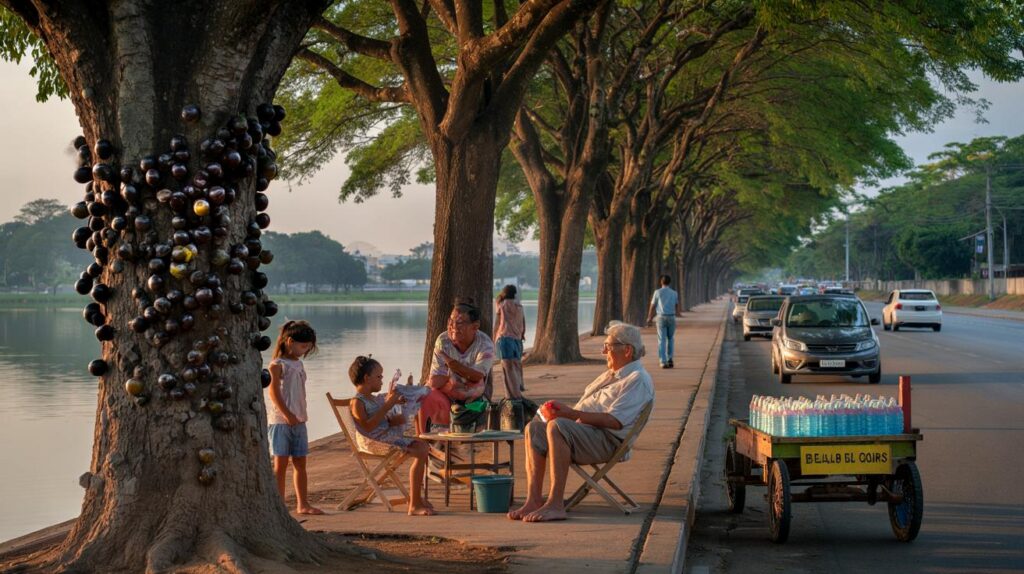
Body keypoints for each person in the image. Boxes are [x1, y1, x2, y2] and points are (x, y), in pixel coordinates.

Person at [508, 322, 654, 523]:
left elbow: (614, 421)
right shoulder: (612, 375)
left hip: (608, 441)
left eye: (608, 346)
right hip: (586, 433)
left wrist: (569, 415)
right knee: (533, 428)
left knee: (557, 427)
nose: (603, 351)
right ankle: (533, 500)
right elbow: (586, 410)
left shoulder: (637, 379)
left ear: (627, 350)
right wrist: (560, 411)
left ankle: (555, 504)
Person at [348, 356, 436, 516]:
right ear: (367, 378)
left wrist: (396, 417)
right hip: (372, 443)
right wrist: (388, 405)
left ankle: (415, 498)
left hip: (384, 437)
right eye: (379, 377)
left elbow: (382, 421)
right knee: (421, 449)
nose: (382, 380)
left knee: (423, 445)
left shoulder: (374, 399)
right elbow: (368, 427)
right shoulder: (357, 402)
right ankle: (414, 503)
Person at [266, 320, 323, 515]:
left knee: (300, 463)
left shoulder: (298, 364)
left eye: (307, 347)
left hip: (299, 420)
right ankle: (279, 505)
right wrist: (287, 414)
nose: (304, 351)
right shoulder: (277, 365)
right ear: (290, 341)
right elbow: (273, 392)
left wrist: (297, 416)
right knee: (280, 465)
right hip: (281, 422)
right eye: (303, 346)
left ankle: (303, 504)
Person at [416, 298, 496, 435]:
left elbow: (477, 376)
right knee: (425, 396)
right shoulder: (443, 341)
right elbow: (435, 381)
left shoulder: (485, 344)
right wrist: (453, 381)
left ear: (475, 326)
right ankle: (425, 440)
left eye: (459, 323)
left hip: (474, 398)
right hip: (446, 394)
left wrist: (450, 363)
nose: (453, 327)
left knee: (473, 390)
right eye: (450, 321)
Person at [494, 285, 527, 397]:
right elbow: (523, 323)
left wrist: (493, 338)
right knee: (516, 364)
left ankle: (510, 395)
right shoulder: (520, 307)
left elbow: (497, 323)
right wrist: (522, 334)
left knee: (506, 368)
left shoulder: (501, 306)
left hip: (504, 338)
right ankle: (518, 387)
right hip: (517, 339)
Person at [645, 274, 682, 368]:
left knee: (662, 340)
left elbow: (653, 305)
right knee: (671, 339)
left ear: (661, 282)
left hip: (661, 317)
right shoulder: (674, 293)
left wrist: (649, 317)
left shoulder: (657, 292)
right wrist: (677, 313)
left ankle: (663, 361)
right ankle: (670, 359)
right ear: (669, 282)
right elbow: (677, 305)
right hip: (671, 317)